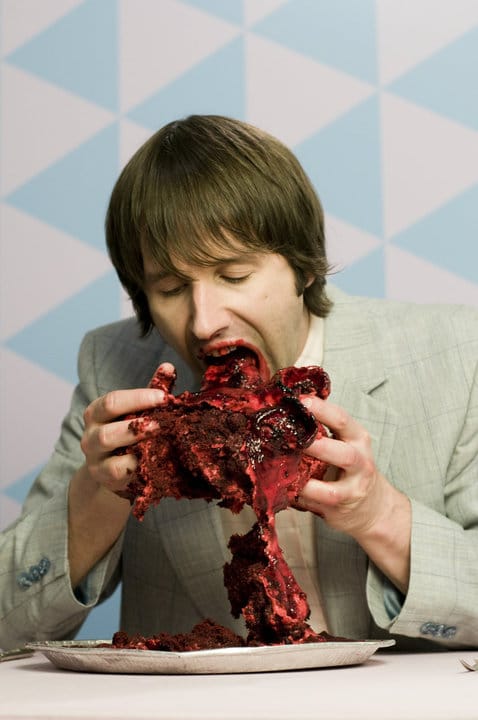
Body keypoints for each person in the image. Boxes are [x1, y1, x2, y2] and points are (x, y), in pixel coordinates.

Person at [1, 115, 477, 651]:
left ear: (304, 268)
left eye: (234, 276)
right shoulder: (112, 367)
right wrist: (97, 496)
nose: (204, 323)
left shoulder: (456, 353)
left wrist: (379, 516)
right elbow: (5, 629)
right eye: (171, 288)